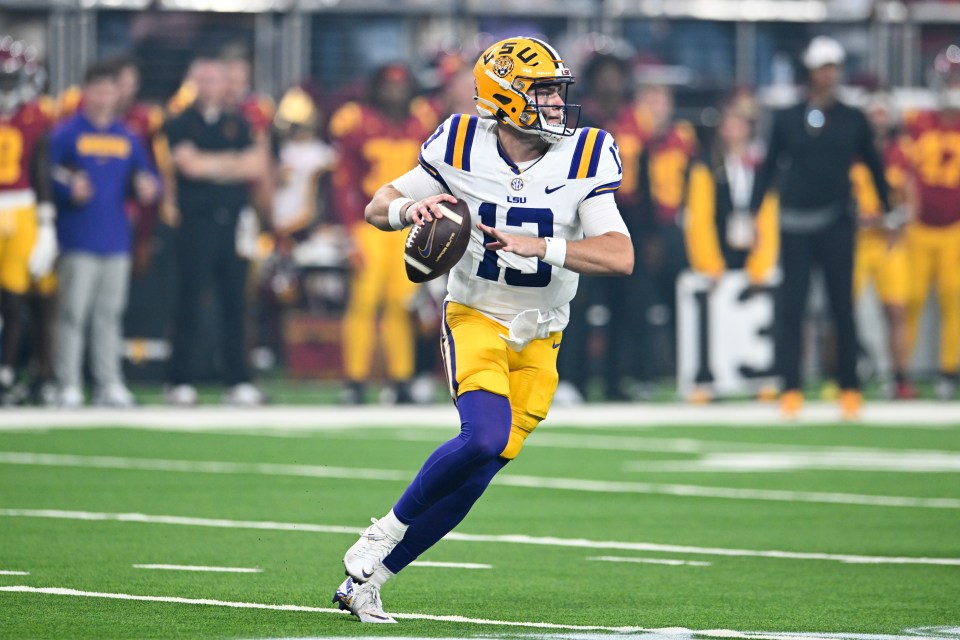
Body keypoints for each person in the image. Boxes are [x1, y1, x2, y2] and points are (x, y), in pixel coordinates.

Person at [330, 37, 633, 623]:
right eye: (542, 90)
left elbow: (619, 255)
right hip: (475, 315)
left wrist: (539, 245)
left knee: (478, 474)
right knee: (482, 437)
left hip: (544, 332)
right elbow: (378, 203)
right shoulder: (459, 142)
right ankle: (383, 531)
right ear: (503, 97)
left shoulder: (588, 153)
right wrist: (406, 212)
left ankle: (366, 584)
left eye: (554, 90)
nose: (554, 103)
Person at [750, 36, 898, 420]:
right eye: (822, 67)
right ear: (810, 72)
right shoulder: (786, 117)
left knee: (841, 309)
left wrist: (888, 209)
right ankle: (791, 387)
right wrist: (749, 212)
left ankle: (849, 387)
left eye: (833, 67)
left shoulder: (852, 117)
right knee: (791, 310)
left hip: (836, 223)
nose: (828, 75)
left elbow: (874, 165)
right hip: (795, 225)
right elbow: (767, 168)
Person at [49, 60, 160, 407]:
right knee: (72, 314)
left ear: (117, 94)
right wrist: (68, 189)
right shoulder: (66, 133)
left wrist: (148, 186)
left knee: (109, 315)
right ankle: (66, 382)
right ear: (86, 92)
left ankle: (108, 381)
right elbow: (46, 174)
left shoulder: (127, 136)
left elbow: (147, 176)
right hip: (77, 236)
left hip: (115, 237)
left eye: (108, 90)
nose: (102, 97)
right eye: (96, 89)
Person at [162, 56, 268, 406]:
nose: (210, 87)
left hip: (234, 222)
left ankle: (237, 379)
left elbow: (255, 165)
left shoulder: (238, 123)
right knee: (189, 301)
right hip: (196, 223)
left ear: (226, 85)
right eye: (203, 80)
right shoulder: (180, 123)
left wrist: (211, 164)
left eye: (215, 80)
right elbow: (188, 166)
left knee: (235, 303)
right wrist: (230, 164)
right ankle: (180, 379)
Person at [328, 63, 437, 404]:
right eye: (389, 86)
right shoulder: (355, 120)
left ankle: (401, 379)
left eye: (401, 85)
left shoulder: (421, 120)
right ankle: (355, 381)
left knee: (401, 305)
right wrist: (348, 230)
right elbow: (342, 179)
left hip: (408, 221)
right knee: (364, 302)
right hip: (370, 224)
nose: (395, 92)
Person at [0, 38, 56, 405]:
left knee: (22, 296)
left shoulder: (36, 116)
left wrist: (47, 223)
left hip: (21, 209)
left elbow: (41, 169)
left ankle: (15, 373)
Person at [902, 46, 960, 400]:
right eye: (949, 78)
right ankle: (901, 370)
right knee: (910, 299)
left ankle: (948, 370)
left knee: (954, 301)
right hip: (920, 226)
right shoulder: (918, 122)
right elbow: (907, 171)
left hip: (955, 227)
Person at [850, 93, 915, 400]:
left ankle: (899, 377)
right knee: (843, 309)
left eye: (881, 113)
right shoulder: (852, 151)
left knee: (897, 310)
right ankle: (845, 374)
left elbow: (912, 196)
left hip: (890, 242)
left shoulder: (901, 151)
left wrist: (900, 220)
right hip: (858, 241)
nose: (877, 119)